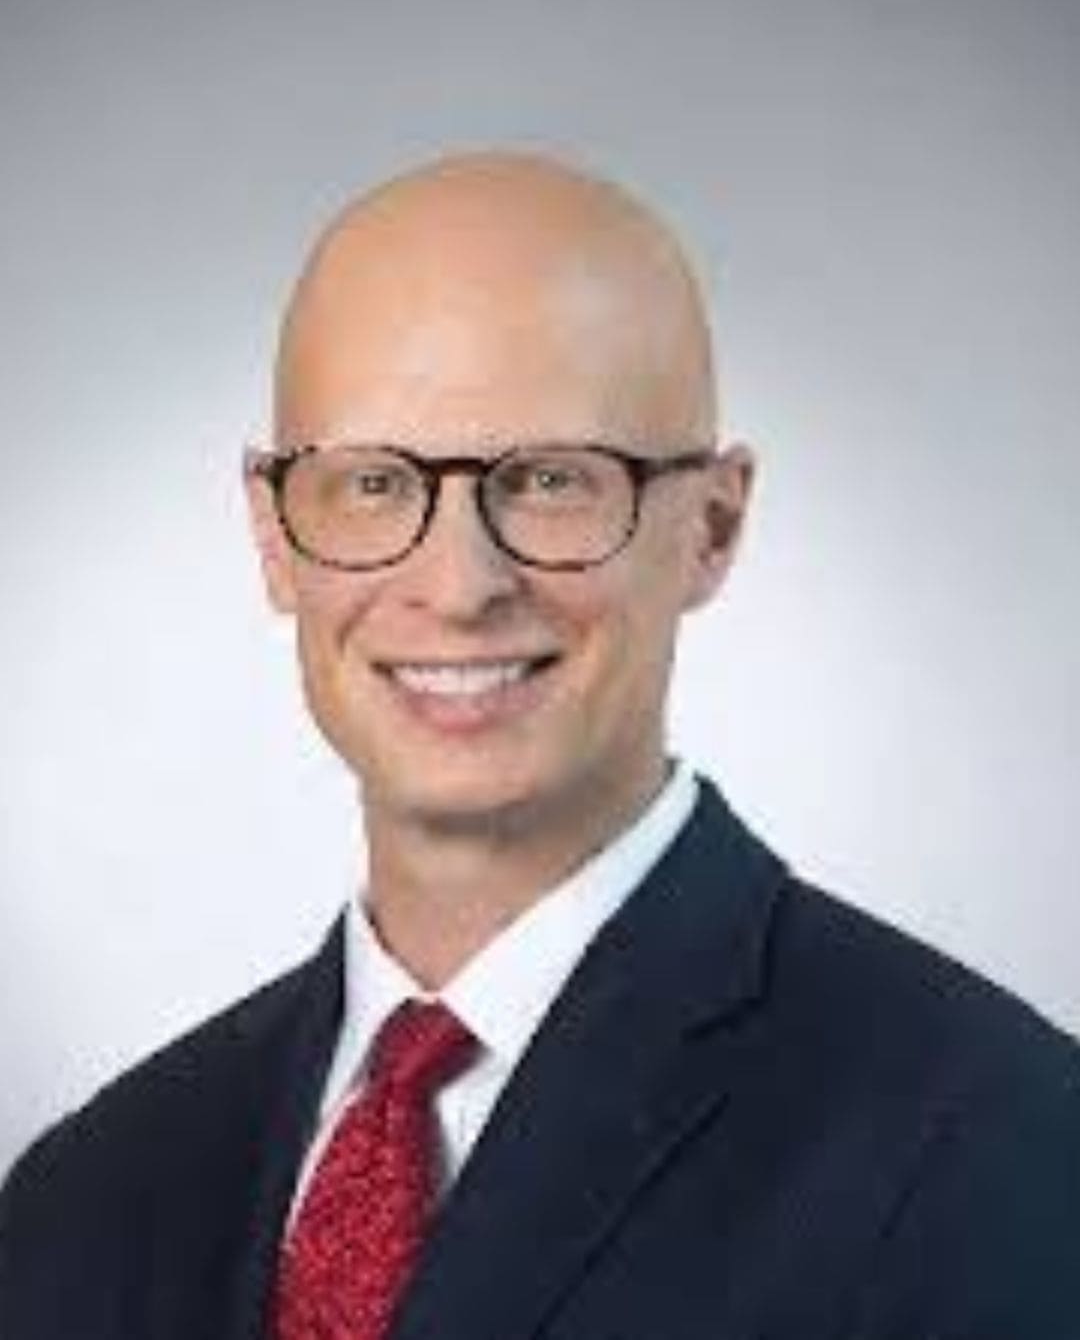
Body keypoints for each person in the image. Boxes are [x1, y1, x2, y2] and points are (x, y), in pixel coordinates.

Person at [1, 151, 1077, 1340]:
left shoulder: (998, 1149)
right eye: (372, 485)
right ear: (273, 533)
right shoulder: (85, 1197)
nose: (460, 586)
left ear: (714, 527)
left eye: (554, 479)